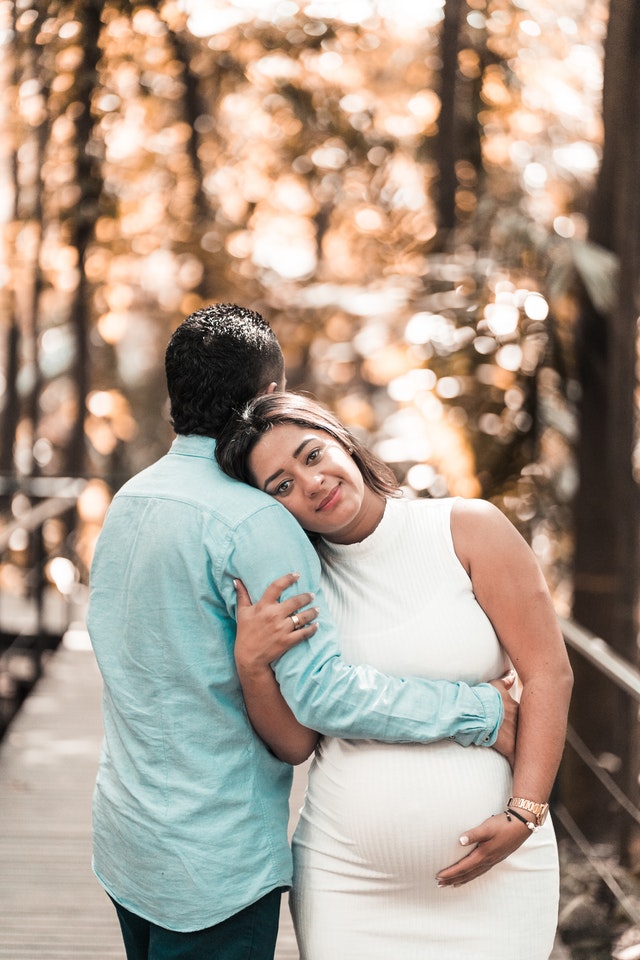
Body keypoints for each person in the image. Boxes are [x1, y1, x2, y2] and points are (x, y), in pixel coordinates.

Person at [87, 303, 518, 960]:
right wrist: (481, 708)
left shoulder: (130, 502)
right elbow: (322, 695)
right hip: (214, 863)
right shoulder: (258, 521)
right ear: (269, 395)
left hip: (127, 841)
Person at [215, 391, 574, 960]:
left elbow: (550, 674)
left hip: (499, 876)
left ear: (343, 442)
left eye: (312, 455)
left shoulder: (467, 530)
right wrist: (251, 664)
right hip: (347, 883)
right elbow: (295, 743)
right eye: (280, 486)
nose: (309, 484)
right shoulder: (300, 586)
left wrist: (525, 811)